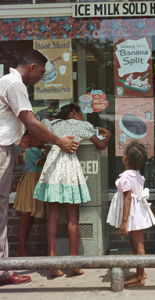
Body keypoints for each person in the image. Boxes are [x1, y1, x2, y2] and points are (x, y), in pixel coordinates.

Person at [0, 49, 78, 286]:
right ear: (32, 66)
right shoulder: (14, 85)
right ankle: (2, 272)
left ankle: (3, 269)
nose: (41, 79)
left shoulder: (6, 81)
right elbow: (31, 124)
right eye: (41, 73)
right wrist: (59, 141)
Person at [33, 104, 111, 278]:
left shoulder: (52, 124)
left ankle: (53, 263)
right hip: (68, 168)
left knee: (53, 216)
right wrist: (109, 135)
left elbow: (36, 130)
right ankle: (74, 264)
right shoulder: (82, 126)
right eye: (81, 113)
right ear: (74, 113)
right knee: (73, 217)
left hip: (52, 167)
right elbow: (101, 145)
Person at [106, 141, 155, 287]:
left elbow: (127, 199)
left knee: (138, 245)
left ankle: (140, 278)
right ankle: (141, 271)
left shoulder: (126, 177)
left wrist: (124, 221)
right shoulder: (137, 175)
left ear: (125, 158)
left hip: (132, 215)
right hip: (137, 212)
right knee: (135, 243)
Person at [13, 131, 46, 257]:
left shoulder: (38, 152)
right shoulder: (31, 152)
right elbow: (43, 164)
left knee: (30, 221)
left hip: (35, 186)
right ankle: (23, 253)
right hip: (29, 187)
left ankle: (19, 250)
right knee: (25, 222)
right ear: (35, 140)